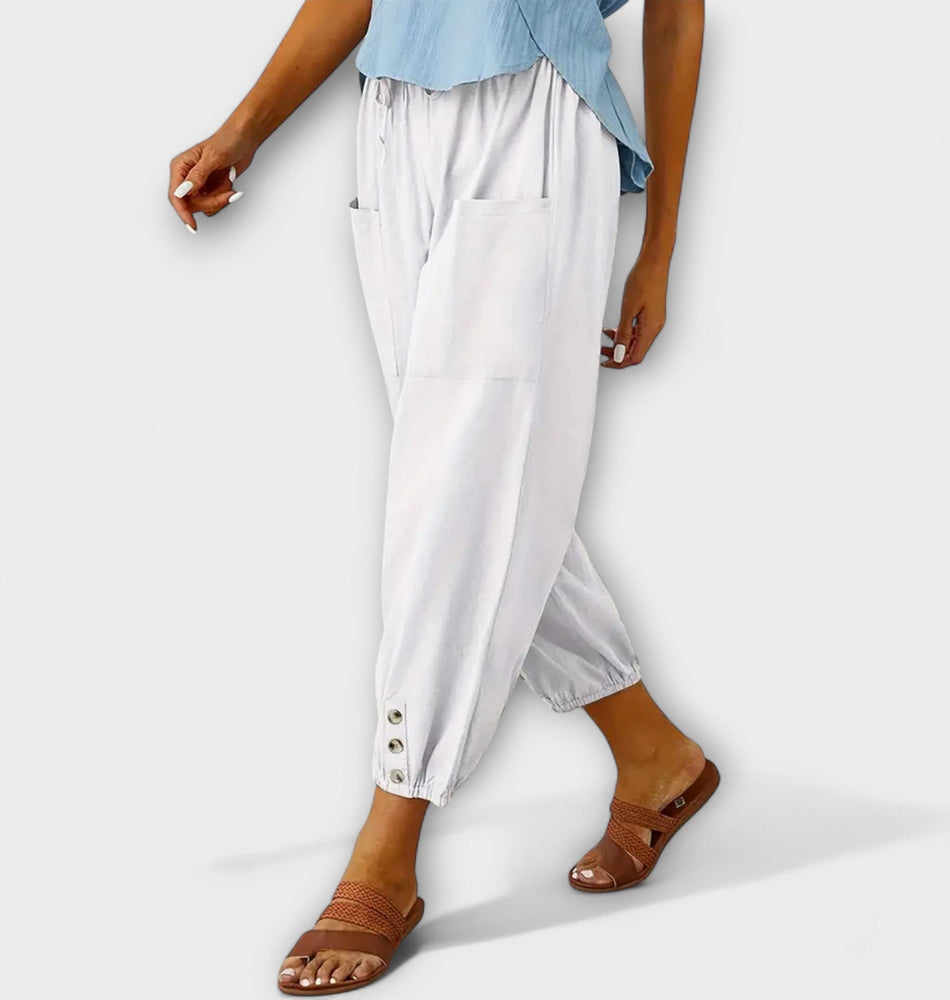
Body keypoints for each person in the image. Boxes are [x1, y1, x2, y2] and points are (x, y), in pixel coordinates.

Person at [167, 1, 712, 994]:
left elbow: (676, 14)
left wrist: (660, 246)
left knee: (461, 486)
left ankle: (391, 834)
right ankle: (653, 751)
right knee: (473, 478)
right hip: (391, 129)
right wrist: (245, 128)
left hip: (531, 118)